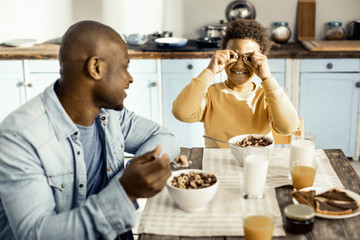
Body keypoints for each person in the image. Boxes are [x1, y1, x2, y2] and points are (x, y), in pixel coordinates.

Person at [0, 20, 180, 239]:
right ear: (96, 68)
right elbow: (34, 234)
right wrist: (124, 192)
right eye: (125, 66)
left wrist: (132, 172)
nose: (130, 78)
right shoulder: (18, 138)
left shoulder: (110, 114)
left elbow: (164, 138)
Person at [172, 19, 299, 147]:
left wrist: (267, 78)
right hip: (216, 164)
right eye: (233, 56)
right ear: (222, 54)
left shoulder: (267, 96)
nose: (239, 65)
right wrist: (210, 71)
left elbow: (289, 128)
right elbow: (181, 112)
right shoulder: (210, 94)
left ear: (260, 60)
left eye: (248, 58)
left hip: (255, 162)